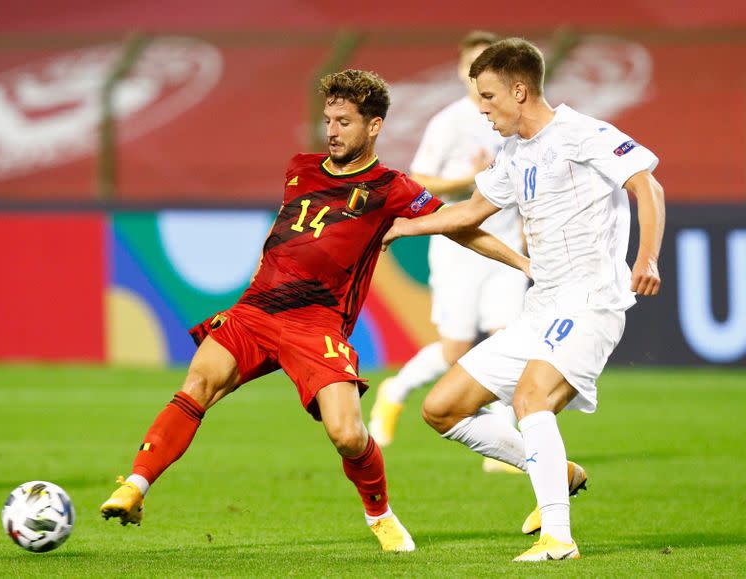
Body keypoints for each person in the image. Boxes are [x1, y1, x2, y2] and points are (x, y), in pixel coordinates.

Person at [99, 69, 530, 552]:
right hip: (257, 310)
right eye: (328, 120)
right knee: (197, 385)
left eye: (344, 121)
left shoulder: (391, 186)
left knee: (347, 435)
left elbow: (460, 227)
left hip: (317, 323)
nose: (332, 131)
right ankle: (135, 485)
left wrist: (522, 261)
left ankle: (380, 514)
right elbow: (283, 232)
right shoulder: (300, 167)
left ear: (374, 126)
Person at [381, 38, 665, 562]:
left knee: (530, 400)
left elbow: (647, 185)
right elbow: (467, 214)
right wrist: (402, 227)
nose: (482, 108)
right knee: (443, 408)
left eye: (488, 97)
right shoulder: (514, 153)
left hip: (590, 302)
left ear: (519, 89)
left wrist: (645, 259)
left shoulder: (582, 133)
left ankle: (558, 539)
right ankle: (562, 473)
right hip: (543, 306)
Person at [368, 32, 528, 476]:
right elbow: (418, 180)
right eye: (471, 66)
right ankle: (395, 391)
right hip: (460, 247)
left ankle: (503, 443)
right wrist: (465, 179)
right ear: (461, 71)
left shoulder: (515, 119)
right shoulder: (449, 122)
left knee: (507, 339)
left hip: (505, 244)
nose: (478, 75)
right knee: (456, 349)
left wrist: (526, 226)